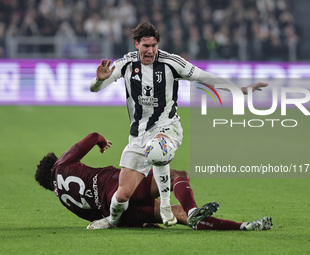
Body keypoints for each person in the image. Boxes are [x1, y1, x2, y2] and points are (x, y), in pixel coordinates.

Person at [89, 22, 268, 228]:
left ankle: (166, 207)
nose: (150, 50)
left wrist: (240, 89)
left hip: (167, 128)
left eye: (154, 45)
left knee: (158, 150)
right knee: (122, 195)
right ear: (136, 44)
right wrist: (97, 80)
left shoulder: (171, 63)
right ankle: (112, 221)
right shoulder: (126, 64)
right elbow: (95, 88)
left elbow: (204, 77)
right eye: (145, 45)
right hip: (138, 136)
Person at [35, 132, 273, 231]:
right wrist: (100, 142)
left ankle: (242, 227)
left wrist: (138, 223)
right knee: (176, 175)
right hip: (118, 185)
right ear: (53, 163)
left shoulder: (65, 201)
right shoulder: (62, 165)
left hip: (119, 214)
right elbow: (93, 136)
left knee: (174, 214)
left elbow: (96, 217)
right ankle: (225, 222)